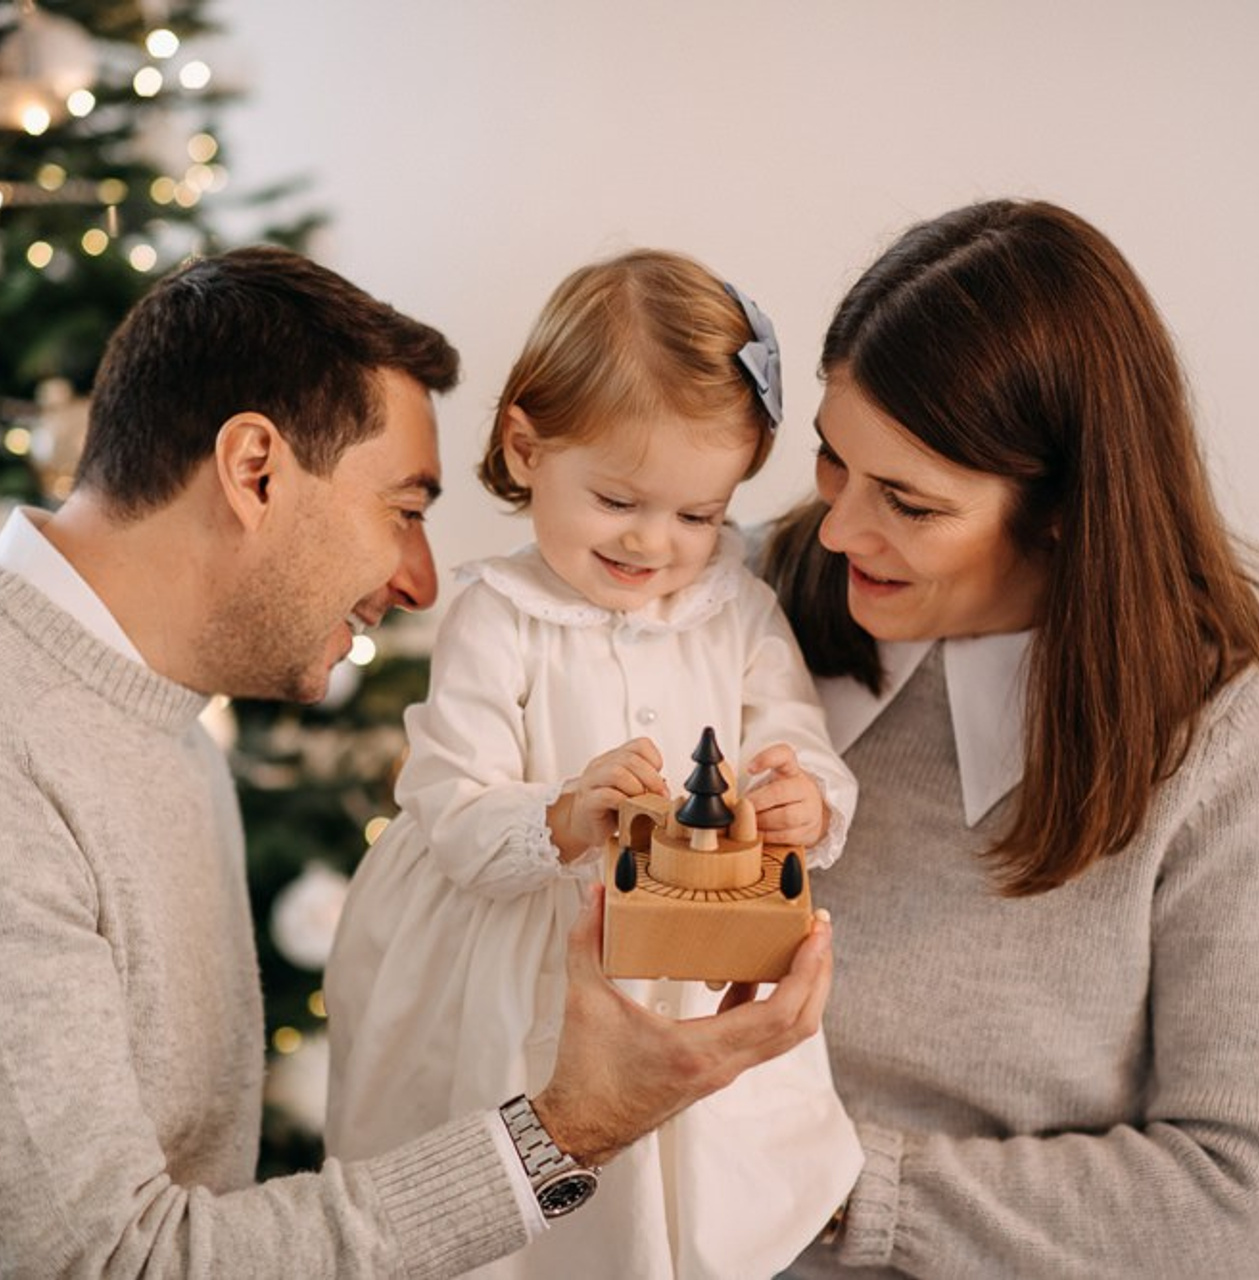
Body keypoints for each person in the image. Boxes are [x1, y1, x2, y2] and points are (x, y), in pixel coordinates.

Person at [0, 245, 840, 1279]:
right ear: (254, 469)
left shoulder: (164, 724)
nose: (423, 577)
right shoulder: (18, 766)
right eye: (404, 507)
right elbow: (109, 1264)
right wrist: (570, 1127)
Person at [757, 198, 1259, 1278]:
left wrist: (820, 1188)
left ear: (1060, 510)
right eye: (828, 461)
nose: (839, 527)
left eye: (907, 501)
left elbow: (1242, 1194)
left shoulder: (1224, 742)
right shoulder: (749, 600)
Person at [324, 249, 863, 1279]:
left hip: (683, 939)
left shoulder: (735, 609)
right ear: (526, 447)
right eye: (619, 498)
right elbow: (449, 800)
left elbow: (800, 747)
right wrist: (564, 814)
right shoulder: (497, 614)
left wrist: (803, 797)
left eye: (698, 514)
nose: (655, 542)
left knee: (681, 1196)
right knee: (526, 1211)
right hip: (515, 956)